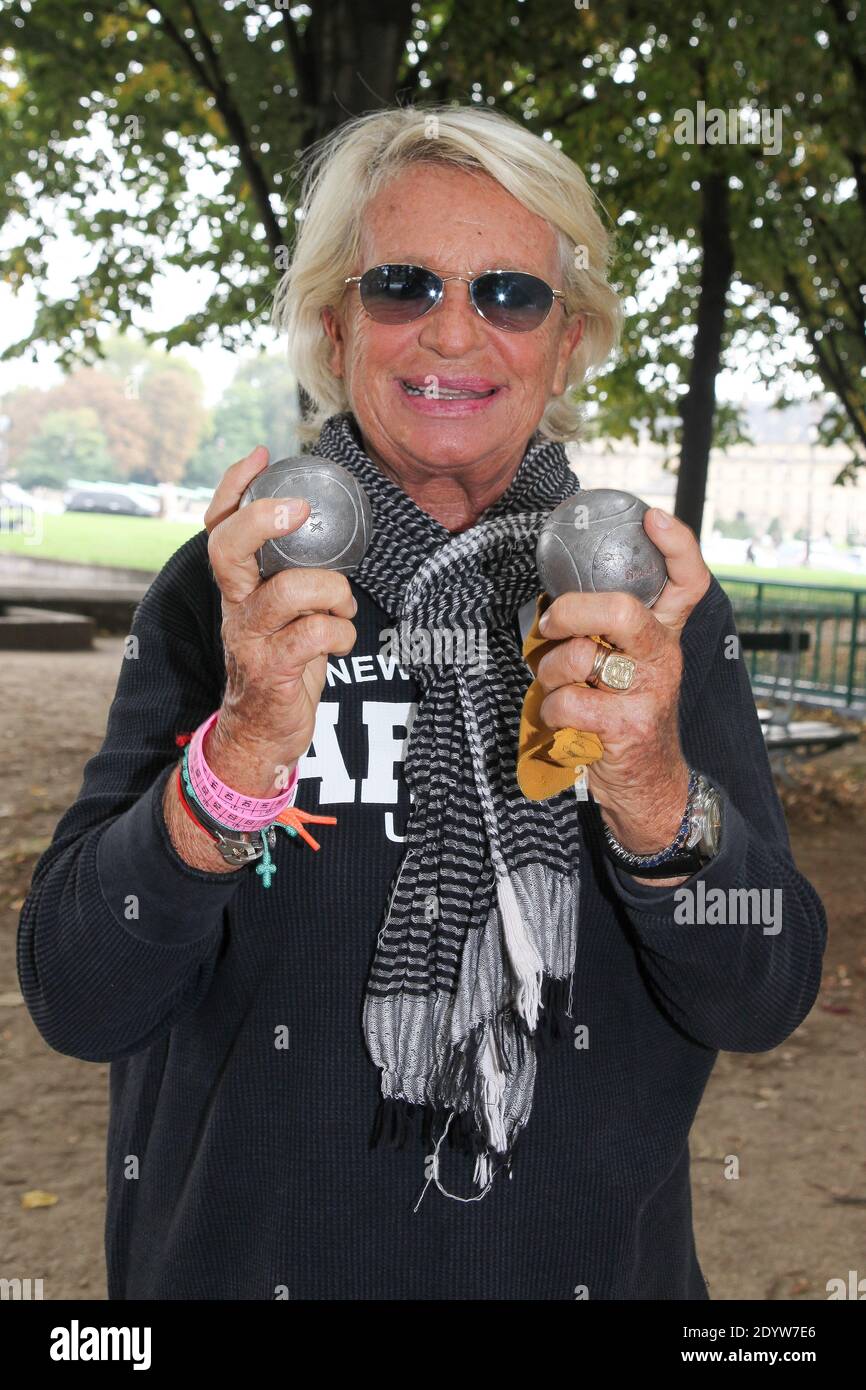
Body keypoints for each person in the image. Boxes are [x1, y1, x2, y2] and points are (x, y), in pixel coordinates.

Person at [18, 104, 826, 1301]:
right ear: (337, 326)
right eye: (403, 284)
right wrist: (234, 758)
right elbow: (79, 994)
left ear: (569, 343)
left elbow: (759, 993)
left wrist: (654, 790)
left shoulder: (646, 602)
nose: (455, 330)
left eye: (510, 293)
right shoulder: (233, 586)